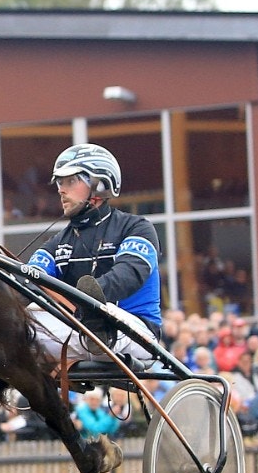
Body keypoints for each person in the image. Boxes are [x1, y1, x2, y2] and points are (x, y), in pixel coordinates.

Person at [26, 144, 162, 363]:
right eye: (60, 183)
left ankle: (96, 327)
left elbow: (129, 274)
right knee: (20, 321)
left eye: (70, 181)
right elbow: (29, 283)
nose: (61, 190)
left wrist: (89, 299)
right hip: (78, 331)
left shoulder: (136, 228)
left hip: (135, 334)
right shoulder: (56, 243)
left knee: (104, 312)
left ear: (99, 185)